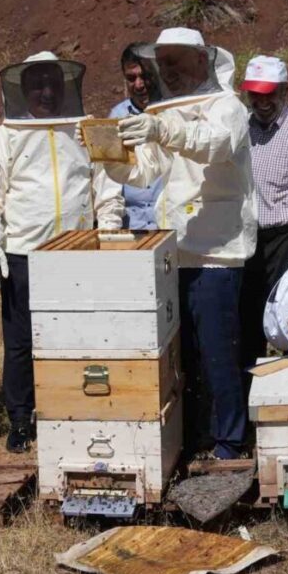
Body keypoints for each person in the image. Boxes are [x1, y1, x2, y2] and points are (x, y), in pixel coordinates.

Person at [103, 28, 256, 460]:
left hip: (217, 253)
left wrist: (160, 127)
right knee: (180, 354)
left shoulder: (227, 108)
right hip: (175, 250)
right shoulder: (165, 111)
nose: (170, 69)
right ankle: (190, 438)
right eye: (164, 62)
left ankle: (229, 440)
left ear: (202, 62)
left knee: (218, 352)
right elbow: (143, 173)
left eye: (177, 61)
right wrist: (110, 155)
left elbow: (215, 144)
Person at [0, 52, 124, 453]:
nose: (45, 91)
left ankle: (75, 407)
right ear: (22, 90)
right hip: (25, 254)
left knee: (79, 337)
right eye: (37, 84)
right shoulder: (3, 136)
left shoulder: (91, 128)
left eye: (53, 83)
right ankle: (21, 420)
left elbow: (108, 188)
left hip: (78, 251)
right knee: (21, 343)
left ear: (66, 87)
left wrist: (107, 234)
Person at [237, 55, 288, 370]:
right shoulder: (242, 126)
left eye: (268, 93)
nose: (261, 101)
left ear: (284, 90)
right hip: (247, 238)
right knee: (249, 318)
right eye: (254, 94)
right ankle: (253, 397)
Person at [110, 43, 164, 230]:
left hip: (171, 224)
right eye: (131, 78)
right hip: (132, 227)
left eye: (144, 76)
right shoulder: (116, 117)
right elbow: (110, 181)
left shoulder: (173, 111)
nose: (139, 85)